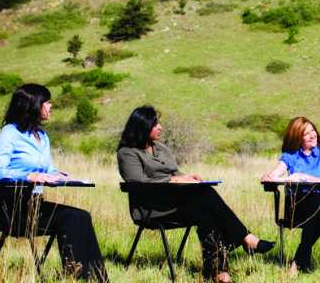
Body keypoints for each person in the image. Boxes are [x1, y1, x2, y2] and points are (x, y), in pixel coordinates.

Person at [116, 106, 272, 283]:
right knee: (205, 194)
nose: (160, 127)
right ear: (142, 127)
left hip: (175, 203)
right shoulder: (127, 153)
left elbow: (174, 172)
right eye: (155, 124)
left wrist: (187, 177)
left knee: (206, 213)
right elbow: (138, 183)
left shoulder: (160, 148)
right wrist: (173, 181)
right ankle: (246, 238)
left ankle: (219, 273)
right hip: (151, 208)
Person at [0, 84, 108, 281]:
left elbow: (48, 170)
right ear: (33, 105)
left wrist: (59, 175)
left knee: (82, 216)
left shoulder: (42, 136)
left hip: (36, 205)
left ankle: (97, 277)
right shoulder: (10, 132)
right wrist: (29, 176)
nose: (51, 106)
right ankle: (76, 275)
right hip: (12, 210)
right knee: (70, 218)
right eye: (47, 102)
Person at [260, 117, 320, 275]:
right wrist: (268, 177)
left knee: (319, 205)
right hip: (298, 207)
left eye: (313, 130)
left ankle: (296, 263)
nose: (312, 135)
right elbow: (275, 174)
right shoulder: (291, 157)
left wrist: (305, 177)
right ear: (298, 138)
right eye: (306, 133)